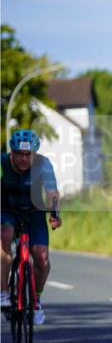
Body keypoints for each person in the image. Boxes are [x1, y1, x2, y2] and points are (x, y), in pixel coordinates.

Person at [1, 129, 62, 325]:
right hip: (6, 210)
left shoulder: (43, 165)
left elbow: (52, 193)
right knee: (5, 234)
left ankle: (36, 300)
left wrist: (54, 214)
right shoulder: (2, 164)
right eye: (19, 154)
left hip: (33, 212)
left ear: (34, 154)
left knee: (42, 258)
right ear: (12, 152)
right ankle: (3, 294)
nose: (23, 159)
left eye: (28, 155)